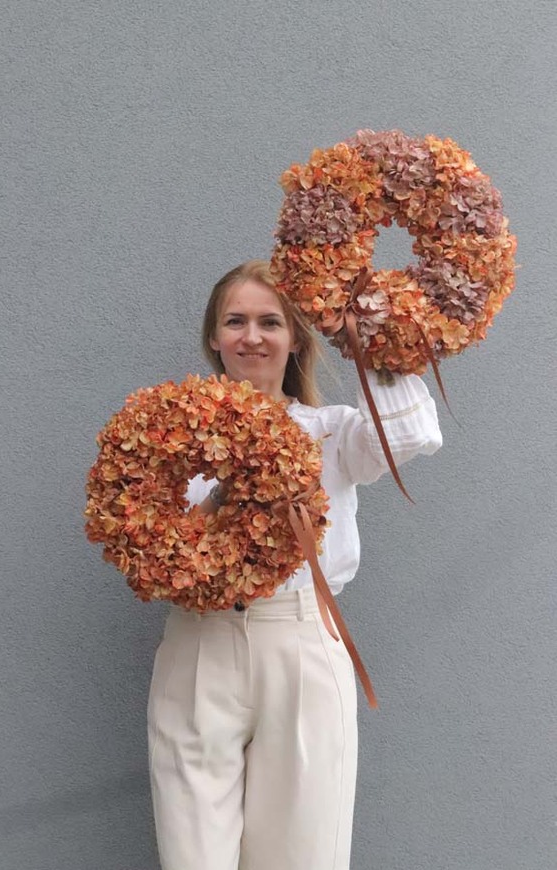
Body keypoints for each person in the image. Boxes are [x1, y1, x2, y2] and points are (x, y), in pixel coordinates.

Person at [147, 259, 443, 870]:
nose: (251, 336)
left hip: (303, 640)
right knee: (192, 853)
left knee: (303, 854)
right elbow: (152, 539)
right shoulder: (168, 438)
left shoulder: (331, 434)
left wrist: (354, 330)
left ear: (296, 337)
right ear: (213, 337)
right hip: (199, 644)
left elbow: (411, 433)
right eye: (235, 321)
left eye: (269, 321)